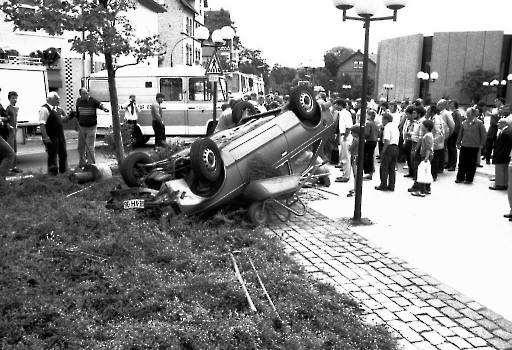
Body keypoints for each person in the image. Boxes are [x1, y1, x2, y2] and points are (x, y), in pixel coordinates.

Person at [75, 88, 109, 171]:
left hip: (91, 127)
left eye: (86, 93)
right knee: (80, 147)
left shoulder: (92, 101)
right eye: (84, 94)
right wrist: (77, 125)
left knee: (90, 147)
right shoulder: (78, 101)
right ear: (80, 95)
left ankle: (91, 165)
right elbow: (77, 113)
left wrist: (104, 108)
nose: (86, 95)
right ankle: (82, 163)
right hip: (82, 127)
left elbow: (99, 104)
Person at [39, 92, 72, 175]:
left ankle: (63, 172)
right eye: (56, 99)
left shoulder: (57, 109)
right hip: (51, 136)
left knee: (63, 154)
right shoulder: (44, 109)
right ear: (50, 100)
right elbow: (42, 124)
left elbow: (62, 120)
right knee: (52, 156)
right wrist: (46, 137)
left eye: (59, 99)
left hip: (60, 135)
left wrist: (70, 116)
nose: (59, 101)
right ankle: (52, 175)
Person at [455, 107, 487, 184]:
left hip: (474, 146)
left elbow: (484, 134)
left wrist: (482, 144)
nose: (467, 115)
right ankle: (460, 177)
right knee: (462, 162)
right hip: (465, 145)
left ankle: (469, 179)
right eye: (467, 114)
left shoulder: (479, 123)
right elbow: (461, 133)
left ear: (473, 114)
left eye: (469, 114)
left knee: (471, 163)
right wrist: (458, 142)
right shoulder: (465, 123)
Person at [375, 112, 399, 192]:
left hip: (389, 147)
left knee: (384, 167)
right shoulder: (395, 127)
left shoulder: (387, 127)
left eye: (382, 119)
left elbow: (386, 140)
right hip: (395, 147)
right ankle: (391, 185)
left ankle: (383, 184)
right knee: (392, 168)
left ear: (386, 119)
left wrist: (383, 150)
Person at [411, 119, 434, 197]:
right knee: (426, 171)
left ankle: (421, 190)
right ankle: (426, 188)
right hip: (427, 155)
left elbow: (428, 147)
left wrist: (426, 157)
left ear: (426, 127)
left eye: (423, 125)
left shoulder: (427, 136)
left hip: (425, 156)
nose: (421, 126)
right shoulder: (428, 134)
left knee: (422, 172)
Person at [489, 118, 512, 190]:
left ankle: (499, 184)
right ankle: (505, 183)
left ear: (503, 124)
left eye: (499, 122)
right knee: (504, 169)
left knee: (499, 169)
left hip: (502, 153)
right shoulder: (506, 131)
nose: (497, 124)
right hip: (504, 154)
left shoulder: (506, 133)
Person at [334, 99, 353, 182]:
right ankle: (344, 173)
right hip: (342, 135)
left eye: (336, 104)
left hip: (346, 136)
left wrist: (345, 136)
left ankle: (346, 175)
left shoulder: (346, 114)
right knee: (343, 156)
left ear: (340, 105)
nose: (335, 106)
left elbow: (349, 126)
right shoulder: (341, 113)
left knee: (346, 157)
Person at [5, 91, 22, 173]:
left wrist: (16, 126)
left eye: (16, 98)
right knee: (10, 150)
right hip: (10, 132)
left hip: (14, 130)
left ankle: (14, 166)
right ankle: (8, 168)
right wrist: (9, 126)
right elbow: (6, 120)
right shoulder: (8, 108)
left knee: (15, 150)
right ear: (9, 99)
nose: (15, 100)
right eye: (13, 98)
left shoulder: (16, 108)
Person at [446, 99, 462, 171]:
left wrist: (454, 132)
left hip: (454, 133)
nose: (450, 105)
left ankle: (453, 164)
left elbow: (458, 125)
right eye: (450, 104)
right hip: (449, 133)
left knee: (453, 149)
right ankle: (449, 163)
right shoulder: (450, 113)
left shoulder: (457, 114)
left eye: (452, 104)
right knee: (449, 148)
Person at [363, 110, 379, 180]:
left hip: (368, 141)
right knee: (370, 156)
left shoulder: (368, 123)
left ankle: (368, 171)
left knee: (364, 156)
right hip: (374, 141)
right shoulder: (376, 124)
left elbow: (367, 133)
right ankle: (371, 170)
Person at [347, 125, 360, 197]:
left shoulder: (355, 140)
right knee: (357, 174)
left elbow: (350, 148)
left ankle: (356, 188)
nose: (351, 134)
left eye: (352, 132)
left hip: (354, 156)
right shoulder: (361, 140)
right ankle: (356, 187)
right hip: (358, 156)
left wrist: (349, 146)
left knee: (355, 174)